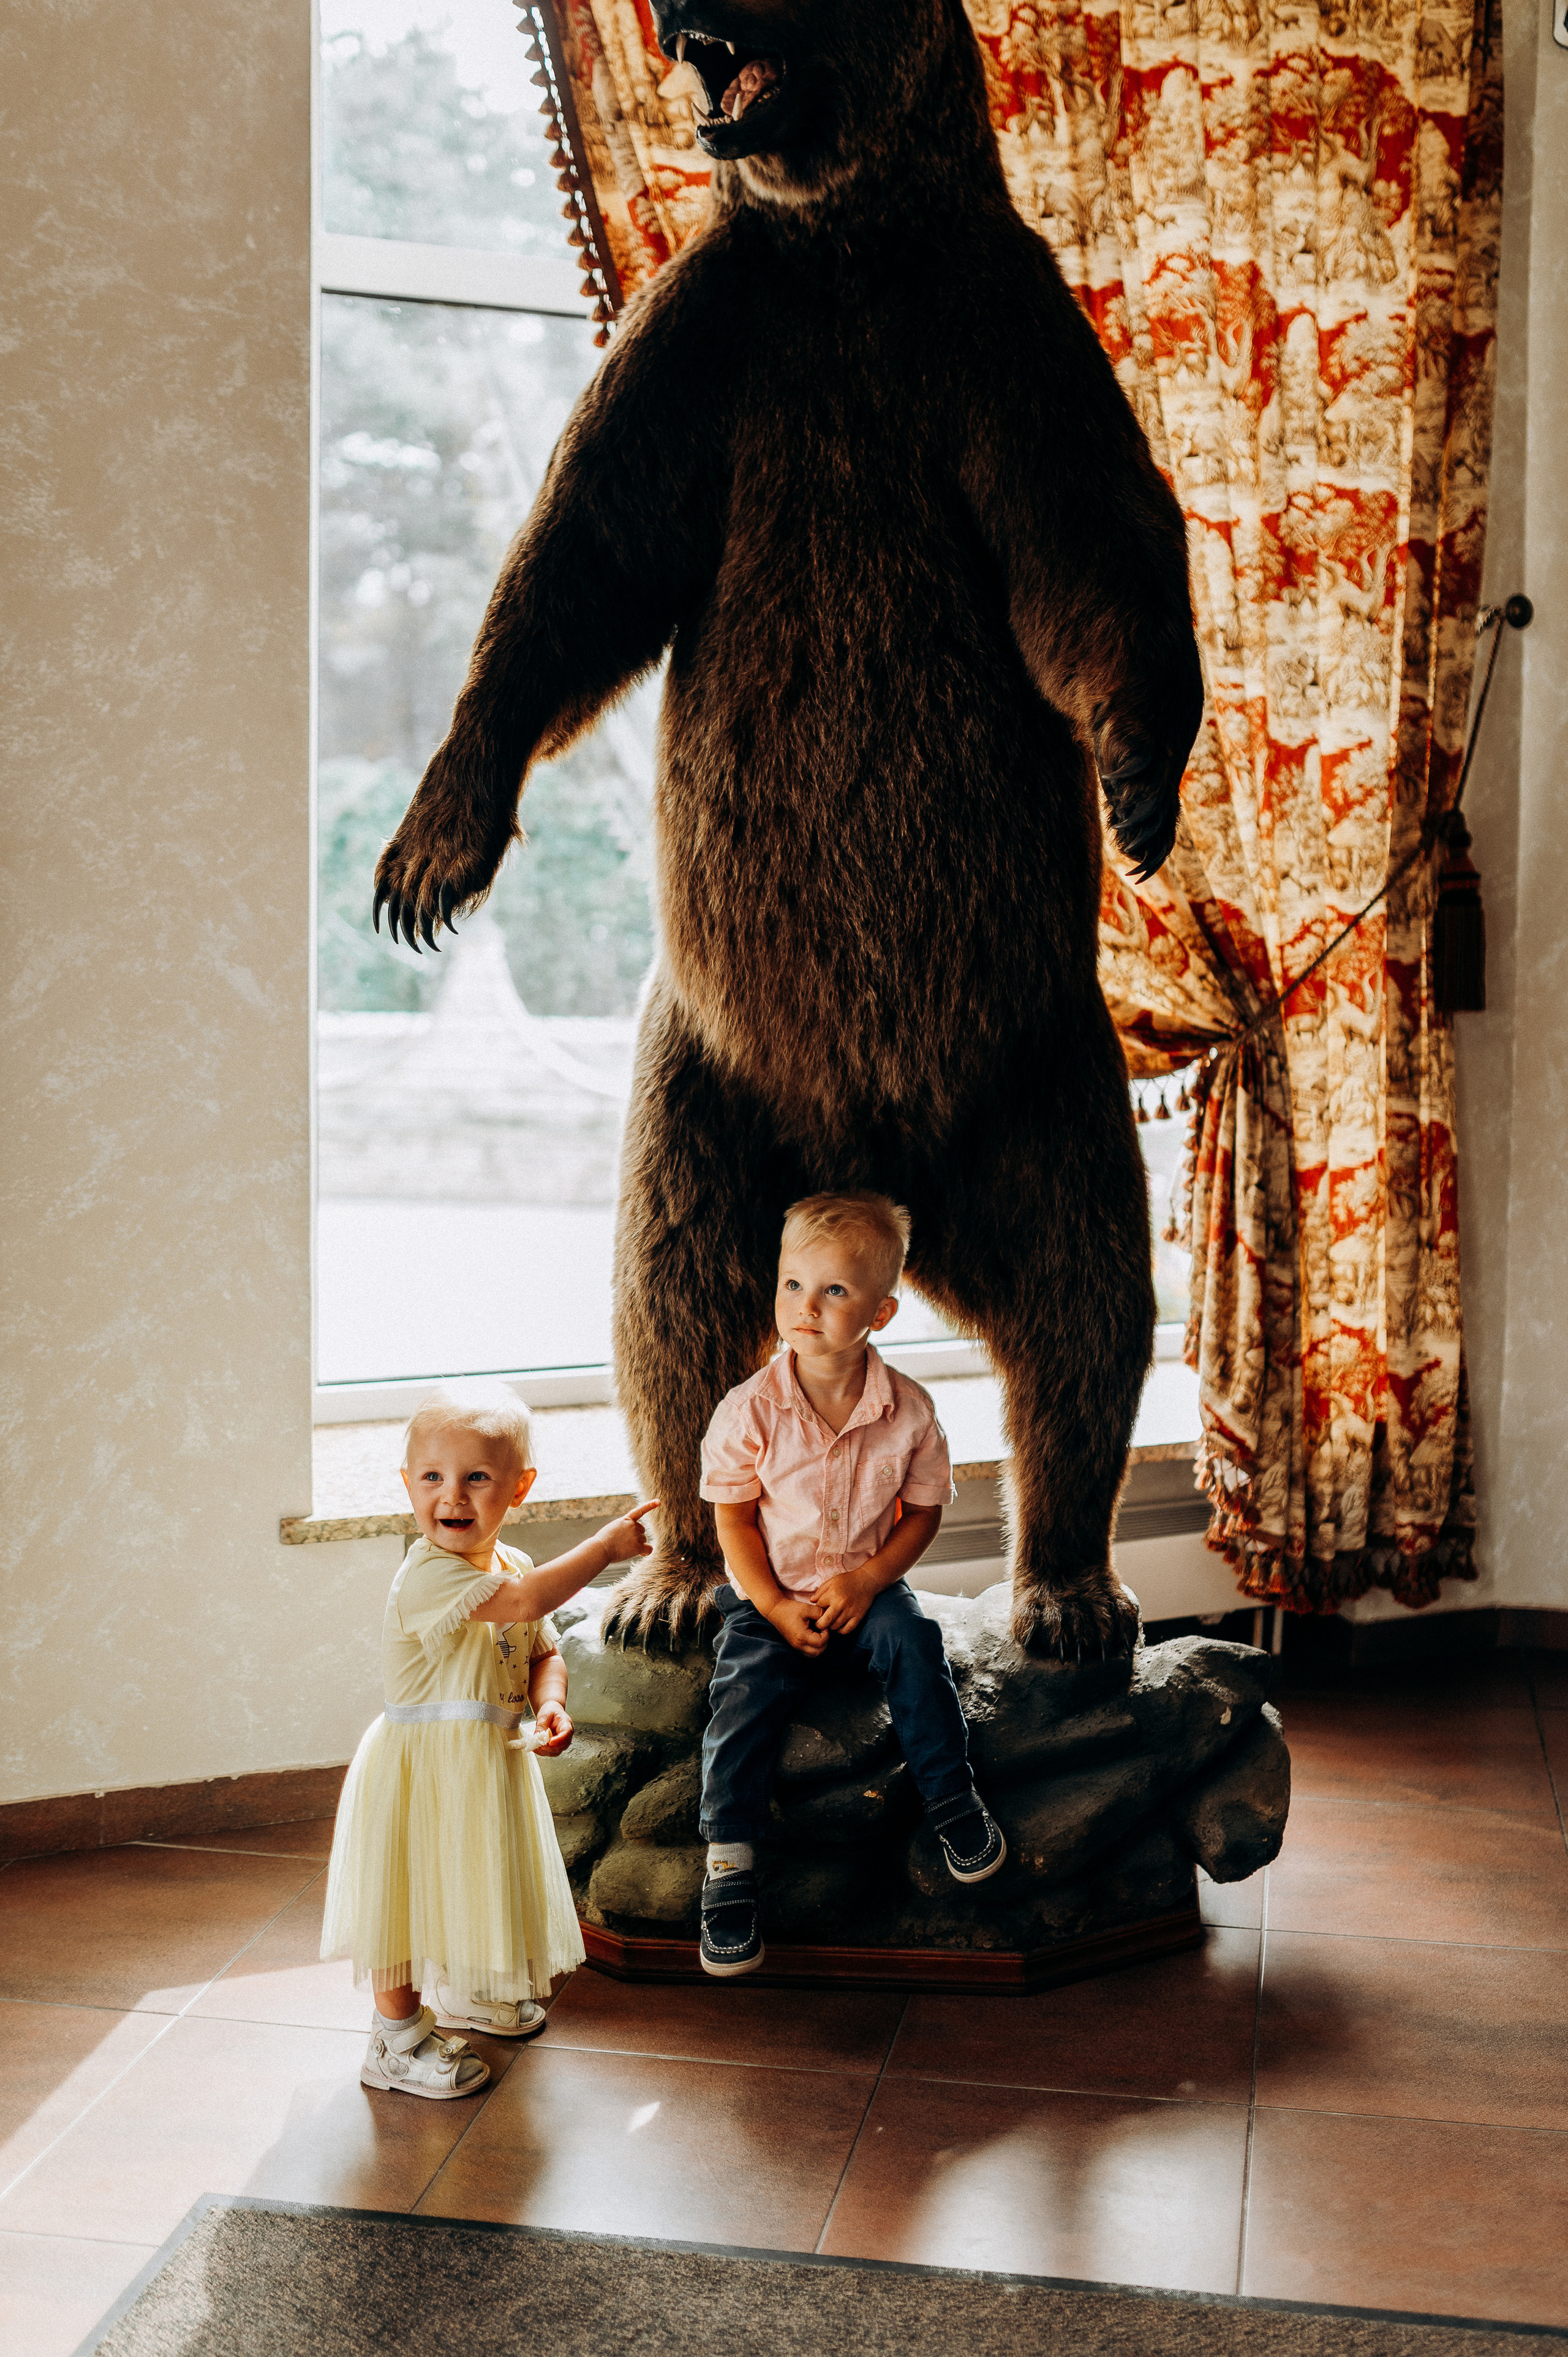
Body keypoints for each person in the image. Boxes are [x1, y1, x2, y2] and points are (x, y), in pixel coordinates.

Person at [696, 1192, 1006, 1977]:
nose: (807, 1307)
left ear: (882, 1312)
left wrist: (869, 1580)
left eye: (834, 1291)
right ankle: (729, 1864)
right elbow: (732, 1522)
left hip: (868, 1592)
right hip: (775, 1597)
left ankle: (951, 1800)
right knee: (741, 1693)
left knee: (916, 1642)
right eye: (794, 1285)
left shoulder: (908, 1410)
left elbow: (922, 1515)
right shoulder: (749, 1411)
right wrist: (768, 1602)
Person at [321, 1382, 657, 2097]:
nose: (454, 1495)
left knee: (471, 1877)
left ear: (519, 1487)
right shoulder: (428, 1576)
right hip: (420, 1764)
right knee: (406, 1896)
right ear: (408, 1485)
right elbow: (528, 1605)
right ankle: (396, 2038)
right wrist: (605, 1546)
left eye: (478, 1477)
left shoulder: (507, 1565)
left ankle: (469, 1992)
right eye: (434, 1477)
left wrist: (552, 1705)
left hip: (482, 1766)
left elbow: (541, 1649)